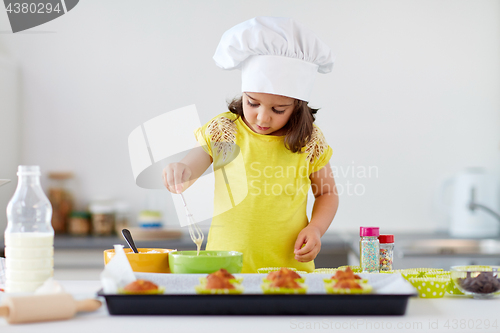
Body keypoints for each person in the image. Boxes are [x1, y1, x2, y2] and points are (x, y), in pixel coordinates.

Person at [163, 16, 339, 273]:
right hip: (225, 267)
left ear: (297, 107)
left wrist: (315, 228)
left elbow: (327, 193)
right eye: (252, 103)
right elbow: (189, 170)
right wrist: (179, 170)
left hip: (289, 269)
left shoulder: (308, 141)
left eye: (278, 109)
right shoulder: (225, 130)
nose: (262, 117)